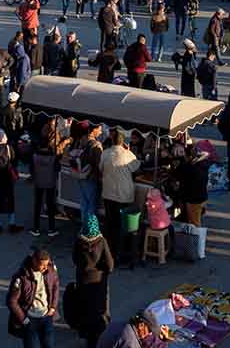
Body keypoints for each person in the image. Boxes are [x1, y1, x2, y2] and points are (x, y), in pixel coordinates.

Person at [72, 215, 114, 347]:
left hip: (82, 280)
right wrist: (101, 268)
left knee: (85, 309)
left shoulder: (79, 241)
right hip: (98, 282)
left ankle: (87, 336)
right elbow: (110, 265)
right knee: (99, 310)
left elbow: (74, 259)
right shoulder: (101, 241)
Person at [99, 130, 140, 260]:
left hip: (108, 193)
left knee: (110, 223)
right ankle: (120, 253)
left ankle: (109, 251)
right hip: (124, 195)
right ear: (123, 142)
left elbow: (101, 168)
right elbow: (137, 166)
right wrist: (128, 151)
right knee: (122, 226)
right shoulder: (128, 154)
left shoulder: (105, 154)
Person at [6, 249, 60, 348]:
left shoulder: (51, 269)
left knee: (49, 345)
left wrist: (53, 307)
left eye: (47, 264)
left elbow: (55, 286)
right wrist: (24, 319)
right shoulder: (21, 277)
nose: (45, 268)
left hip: (46, 316)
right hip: (30, 319)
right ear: (34, 261)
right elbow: (11, 301)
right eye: (42, 265)